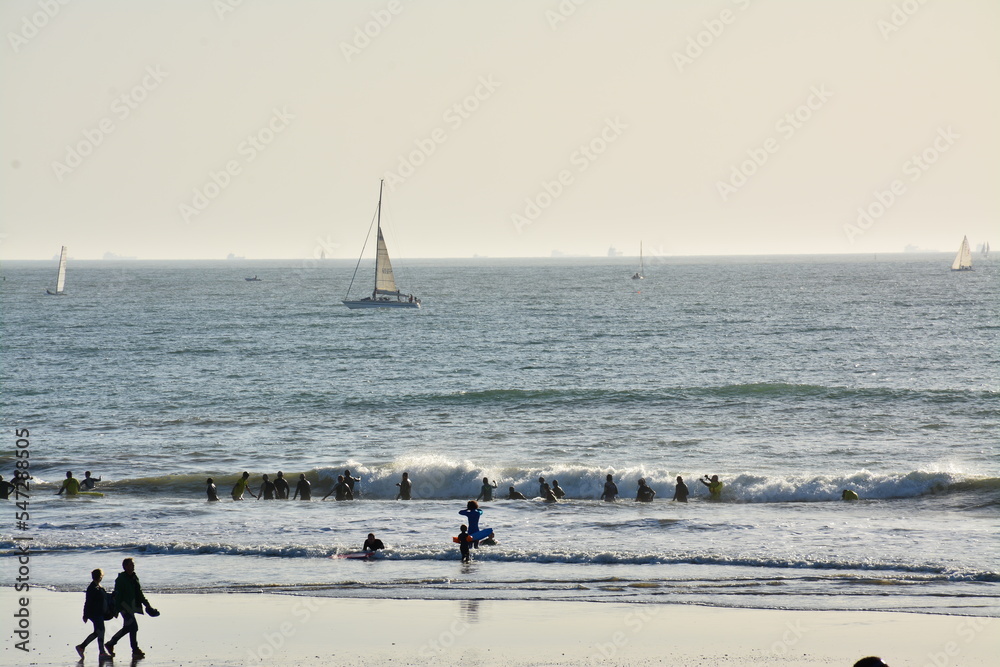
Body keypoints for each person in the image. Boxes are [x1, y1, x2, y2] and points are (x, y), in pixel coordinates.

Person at [106, 558, 158, 659]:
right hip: (124, 607)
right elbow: (118, 595)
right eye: (130, 565)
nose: (133, 566)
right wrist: (117, 610)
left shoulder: (134, 578)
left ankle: (110, 643)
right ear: (125, 566)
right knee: (133, 627)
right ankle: (135, 650)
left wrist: (148, 605)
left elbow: (139, 594)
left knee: (128, 628)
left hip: (132, 607)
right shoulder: (121, 579)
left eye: (133, 564)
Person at [76, 568, 111, 660]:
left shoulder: (98, 587)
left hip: (98, 613)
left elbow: (105, 597)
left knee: (97, 632)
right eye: (100, 576)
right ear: (100, 576)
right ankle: (101, 652)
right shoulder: (93, 588)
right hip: (95, 614)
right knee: (101, 631)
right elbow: (88, 602)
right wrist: (85, 615)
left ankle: (81, 647)